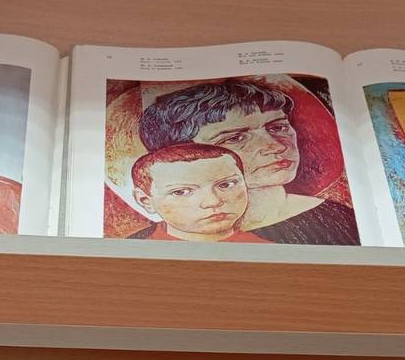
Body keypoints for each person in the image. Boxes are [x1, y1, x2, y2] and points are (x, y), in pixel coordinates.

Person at [135, 79, 360, 245]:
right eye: (235, 138)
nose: (276, 146)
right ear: (181, 154)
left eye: (278, 127)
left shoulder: (337, 220)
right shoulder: (147, 241)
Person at [129, 143, 269, 243]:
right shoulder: (134, 250)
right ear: (145, 201)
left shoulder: (266, 248)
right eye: (181, 192)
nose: (213, 202)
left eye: (226, 185)